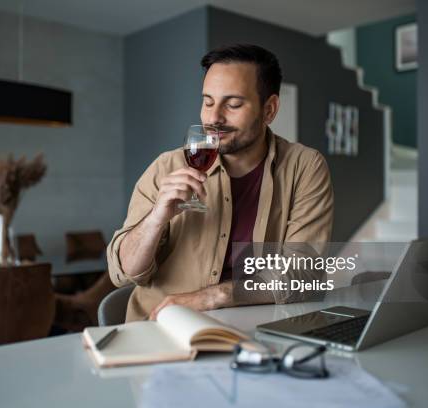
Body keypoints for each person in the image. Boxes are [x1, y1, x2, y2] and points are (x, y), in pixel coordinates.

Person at [107, 44, 334, 322]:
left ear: (270, 109)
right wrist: (156, 219)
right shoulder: (166, 167)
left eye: (233, 104)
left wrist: (214, 296)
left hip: (254, 327)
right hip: (161, 327)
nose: (213, 118)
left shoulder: (305, 167)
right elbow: (125, 273)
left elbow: (303, 274)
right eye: (208, 101)